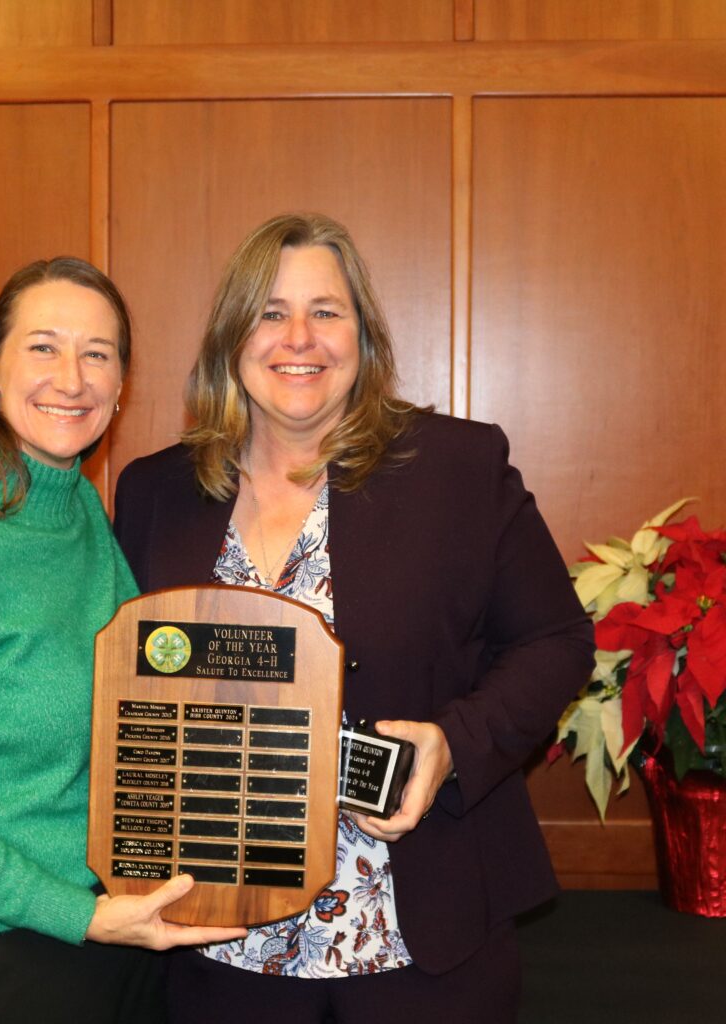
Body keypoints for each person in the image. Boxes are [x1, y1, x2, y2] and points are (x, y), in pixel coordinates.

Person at [113, 214, 595, 1023]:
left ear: (363, 338)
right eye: (269, 312)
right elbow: (116, 695)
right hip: (220, 950)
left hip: (419, 947)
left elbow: (556, 641)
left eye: (326, 312)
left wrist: (454, 745)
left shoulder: (455, 469)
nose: (298, 337)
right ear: (231, 338)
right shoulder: (156, 492)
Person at [0, 257, 244, 1024]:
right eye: (43, 347)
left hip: (108, 933)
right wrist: (81, 914)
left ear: (121, 385)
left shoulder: (84, 516)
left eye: (97, 353)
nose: (73, 377)